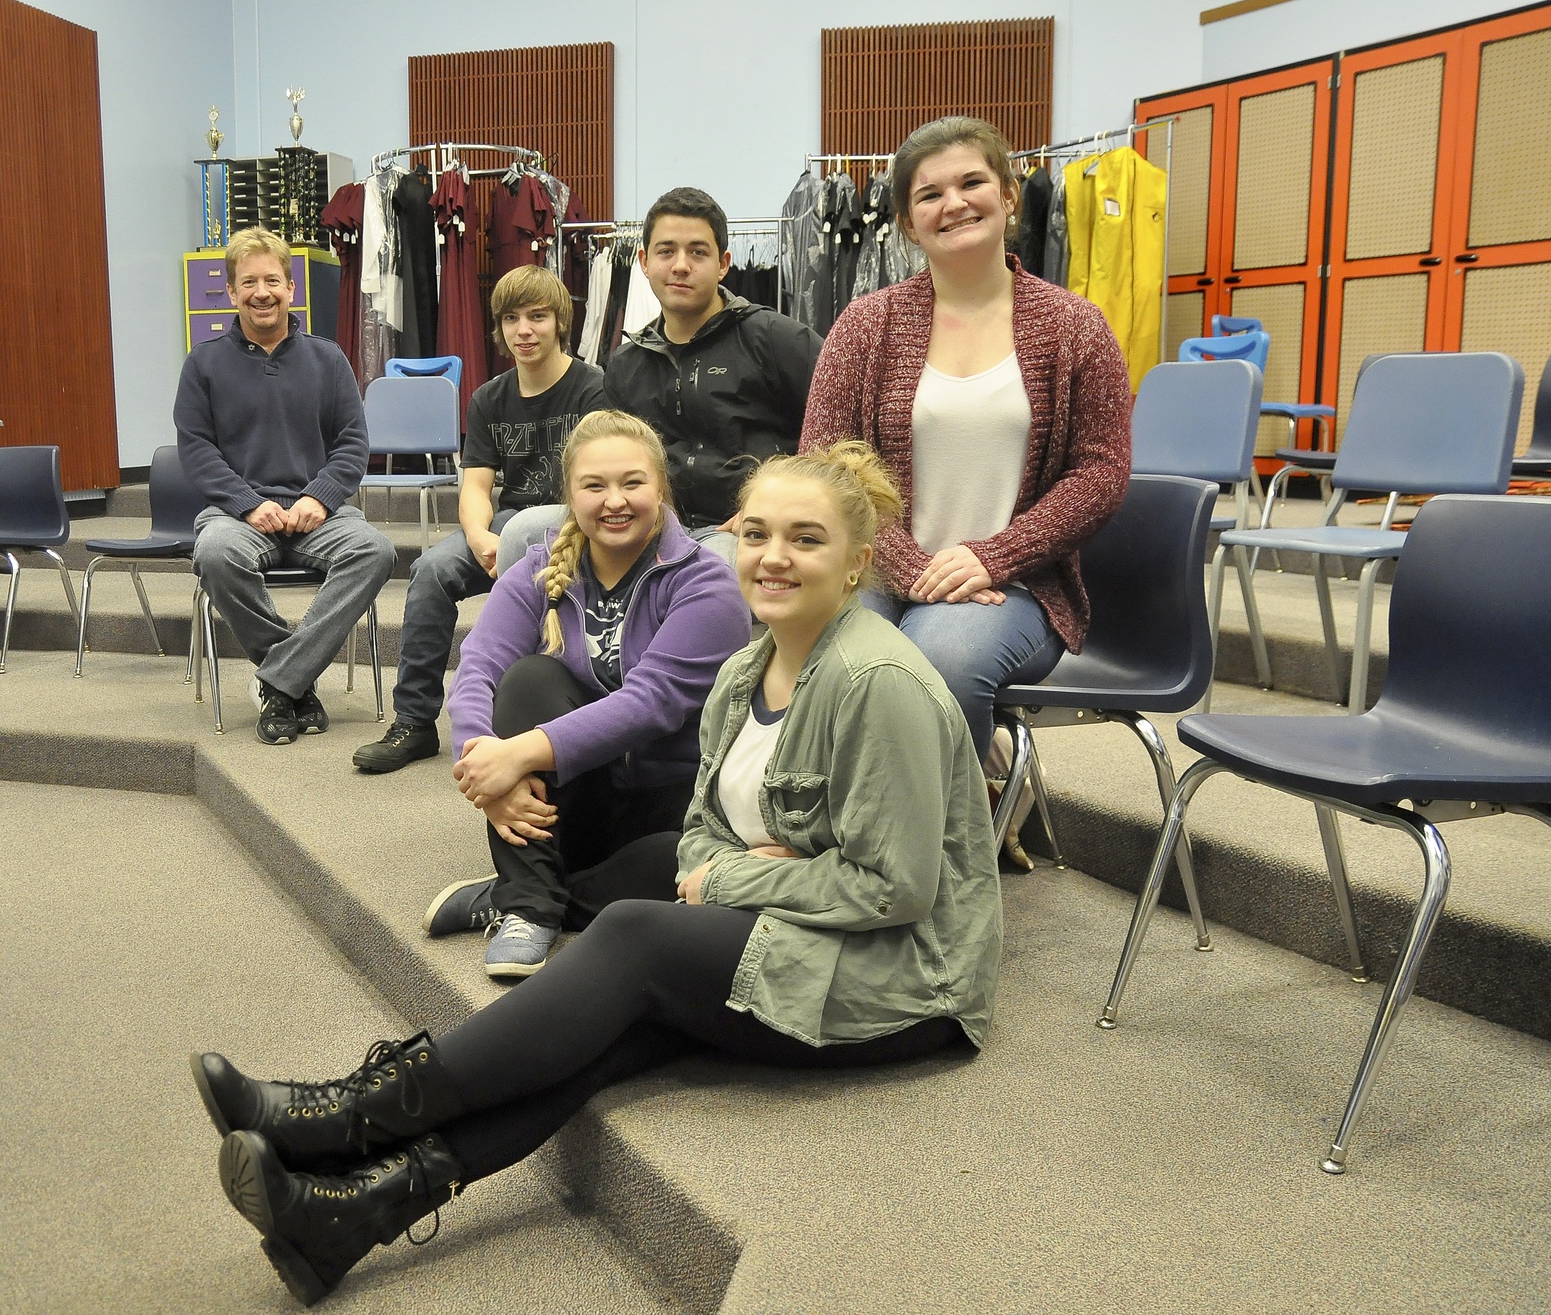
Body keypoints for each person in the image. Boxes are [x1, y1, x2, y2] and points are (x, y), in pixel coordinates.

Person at [191, 441, 998, 1308]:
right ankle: (350, 1213)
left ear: (857, 561)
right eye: (758, 533)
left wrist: (729, 881)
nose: (773, 557)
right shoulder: (746, 672)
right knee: (607, 1023)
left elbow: (892, 891)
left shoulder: (876, 681)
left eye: (806, 539)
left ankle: (346, 1114)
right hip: (802, 918)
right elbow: (701, 833)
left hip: (903, 979)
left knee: (632, 935)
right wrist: (733, 866)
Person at [799, 116, 1131, 842]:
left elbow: (1102, 472)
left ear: (1009, 195)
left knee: (938, 659)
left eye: (972, 182)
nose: (953, 203)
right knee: (810, 641)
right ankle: (843, 839)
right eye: (929, 194)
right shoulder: (865, 325)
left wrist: (995, 554)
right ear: (906, 222)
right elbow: (824, 465)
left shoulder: (1076, 326)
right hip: (876, 566)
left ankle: (942, 865)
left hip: (1014, 585)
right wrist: (911, 568)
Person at [416, 409, 750, 978]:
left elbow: (650, 703)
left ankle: (521, 891)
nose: (614, 501)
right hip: (569, 803)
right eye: (594, 486)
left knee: (698, 875)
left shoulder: (708, 585)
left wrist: (515, 756)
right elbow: (478, 668)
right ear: (570, 495)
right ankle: (529, 905)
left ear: (661, 488)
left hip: (673, 807)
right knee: (530, 679)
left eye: (632, 483)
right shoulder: (539, 569)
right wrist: (483, 772)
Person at [352, 267, 607, 774]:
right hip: (510, 521)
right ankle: (414, 721)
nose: (523, 330)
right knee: (430, 571)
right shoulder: (489, 397)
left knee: (524, 543)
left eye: (537, 317)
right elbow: (474, 487)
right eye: (511, 319)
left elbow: (602, 482)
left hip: (577, 524)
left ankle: (534, 718)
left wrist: (511, 539)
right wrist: (480, 538)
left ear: (560, 322)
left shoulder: (593, 388)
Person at [177, 228, 398, 746]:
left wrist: (320, 497)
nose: (262, 292)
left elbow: (353, 443)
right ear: (231, 292)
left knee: (375, 551)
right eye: (249, 282)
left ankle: (279, 683)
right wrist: (247, 504)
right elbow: (197, 450)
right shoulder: (202, 364)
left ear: (291, 287)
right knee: (214, 554)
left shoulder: (329, 359)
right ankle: (295, 682)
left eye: (272, 281)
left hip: (318, 514)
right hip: (237, 516)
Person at [604, 186, 824, 567]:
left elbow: (838, 436)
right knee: (525, 531)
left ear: (723, 263)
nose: (681, 265)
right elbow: (610, 459)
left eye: (697, 252)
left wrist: (776, 504)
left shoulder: (777, 341)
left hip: (748, 530)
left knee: (713, 564)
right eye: (666, 251)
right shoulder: (625, 365)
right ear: (643, 261)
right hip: (648, 525)